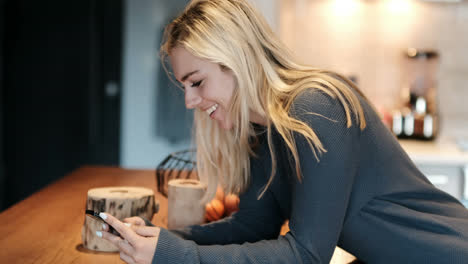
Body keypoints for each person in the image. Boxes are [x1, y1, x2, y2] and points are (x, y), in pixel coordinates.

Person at [97, 0, 468, 263]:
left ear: (236, 60)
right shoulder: (265, 130)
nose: (190, 101)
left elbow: (306, 254)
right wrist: (163, 238)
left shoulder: (317, 108)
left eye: (197, 82)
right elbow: (253, 227)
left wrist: (175, 257)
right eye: (185, 87)